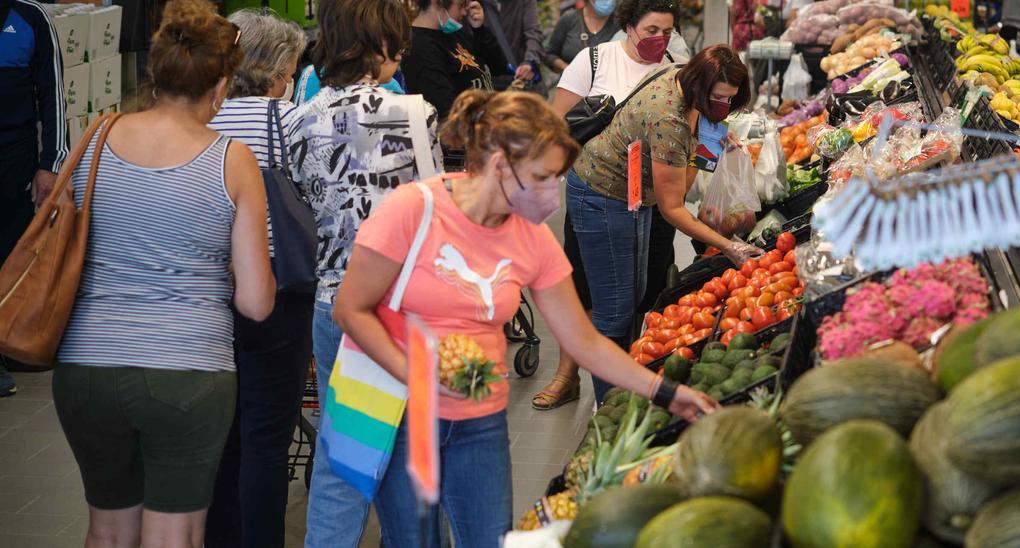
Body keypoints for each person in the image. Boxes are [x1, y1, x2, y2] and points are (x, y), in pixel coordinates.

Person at [335, 89, 718, 548]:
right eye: (540, 177)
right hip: (403, 416)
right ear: (499, 164)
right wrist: (415, 373)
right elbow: (350, 308)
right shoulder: (412, 210)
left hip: (480, 420)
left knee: (489, 539)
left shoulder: (529, 239)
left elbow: (584, 341)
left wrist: (665, 391)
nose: (549, 194)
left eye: (554, 179)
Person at [52, 1, 275, 546]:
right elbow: (256, 302)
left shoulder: (96, 140)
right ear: (220, 85)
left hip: (86, 368)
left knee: (107, 530)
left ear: (156, 73)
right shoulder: (232, 160)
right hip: (187, 371)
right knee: (173, 535)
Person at [290, 0, 443, 545]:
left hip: (333, 303)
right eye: (397, 43)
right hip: (397, 308)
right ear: (380, 45)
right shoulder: (413, 114)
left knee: (347, 459)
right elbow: (435, 214)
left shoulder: (299, 118)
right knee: (399, 458)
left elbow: (306, 207)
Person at [568, 45, 762, 402]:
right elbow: (674, 206)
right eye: (717, 98)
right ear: (700, 88)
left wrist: (707, 134)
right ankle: (608, 402)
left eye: (729, 100)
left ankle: (625, 381)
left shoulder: (681, 74)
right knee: (614, 310)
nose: (723, 106)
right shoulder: (669, 120)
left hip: (635, 193)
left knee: (634, 294)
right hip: (602, 193)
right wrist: (728, 245)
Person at [536, 0, 682, 409]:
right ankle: (568, 375)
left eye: (667, 32)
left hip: (651, 200)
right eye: (652, 30)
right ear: (629, 26)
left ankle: (630, 376)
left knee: (645, 286)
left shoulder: (673, 68)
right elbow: (554, 124)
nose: (660, 40)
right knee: (583, 285)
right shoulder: (595, 61)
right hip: (595, 196)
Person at [202, 8, 308, 547]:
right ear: (277, 69)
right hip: (279, 291)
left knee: (222, 435)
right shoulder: (288, 121)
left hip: (210, 293)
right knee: (268, 438)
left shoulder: (200, 118)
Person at [1, 0, 68, 391]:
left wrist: (52, 163)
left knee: (14, 251)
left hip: (16, 157)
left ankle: (13, 343)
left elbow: (54, 93)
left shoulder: (30, 17)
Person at [402, 0, 508, 125]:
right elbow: (447, 112)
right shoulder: (420, 48)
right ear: (438, 3)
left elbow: (498, 67)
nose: (465, 12)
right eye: (461, 5)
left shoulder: (452, 32)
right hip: (467, 134)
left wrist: (479, 29)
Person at [542, 0, 618, 74]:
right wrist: (566, 68)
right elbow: (549, 54)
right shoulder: (569, 19)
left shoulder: (620, 22)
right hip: (573, 84)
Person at [488, 0, 544, 89]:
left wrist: (530, 61)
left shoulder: (522, 2)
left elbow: (533, 33)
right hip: (498, 88)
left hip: (528, 79)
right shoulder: (474, 7)